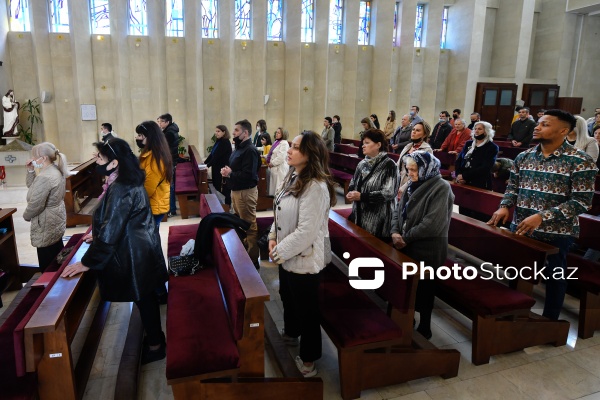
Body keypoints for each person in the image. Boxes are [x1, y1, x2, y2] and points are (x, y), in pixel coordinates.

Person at [61, 138, 169, 365]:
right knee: (146, 298)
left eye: (99, 157)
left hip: (134, 252)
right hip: (141, 246)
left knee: (144, 299)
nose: (95, 161)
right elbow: (117, 220)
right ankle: (156, 339)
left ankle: (156, 346)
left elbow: (112, 230)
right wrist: (98, 233)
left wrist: (88, 262)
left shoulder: (121, 187)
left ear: (114, 163)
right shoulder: (127, 179)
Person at [488, 109, 598, 320]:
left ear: (564, 130)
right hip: (521, 227)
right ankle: (514, 311)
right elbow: (513, 187)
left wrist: (543, 217)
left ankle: (550, 320)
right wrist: (504, 205)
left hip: (556, 232)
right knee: (518, 271)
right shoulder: (524, 156)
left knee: (555, 276)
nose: (537, 127)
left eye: (545, 124)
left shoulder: (580, 160)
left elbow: (582, 202)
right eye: (538, 123)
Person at [268, 131, 336, 377]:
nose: (289, 150)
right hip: (287, 254)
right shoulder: (291, 176)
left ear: (309, 154)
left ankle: (309, 361)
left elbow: (306, 232)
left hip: (305, 259)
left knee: (308, 311)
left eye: (296, 147)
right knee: (287, 296)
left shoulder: (316, 187)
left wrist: (278, 253)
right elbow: (278, 212)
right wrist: (272, 238)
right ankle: (290, 332)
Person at [391, 151, 454, 340]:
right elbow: (398, 209)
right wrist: (395, 232)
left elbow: (432, 224)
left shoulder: (440, 187)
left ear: (427, 168)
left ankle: (425, 327)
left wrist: (405, 238)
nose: (410, 173)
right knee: (406, 287)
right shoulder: (412, 183)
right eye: (408, 169)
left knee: (425, 290)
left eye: (413, 169)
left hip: (427, 249)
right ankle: (406, 320)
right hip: (406, 245)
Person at [221, 119, 261, 269]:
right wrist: (227, 172)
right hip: (236, 190)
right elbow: (235, 168)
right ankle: (244, 253)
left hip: (245, 192)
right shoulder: (239, 148)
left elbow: (250, 175)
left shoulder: (249, 150)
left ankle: (252, 260)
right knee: (240, 223)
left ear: (245, 133)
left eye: (236, 130)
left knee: (249, 225)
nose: (233, 133)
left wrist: (231, 173)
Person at [23, 142, 68, 272]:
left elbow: (35, 204)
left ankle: (49, 286)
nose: (32, 159)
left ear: (43, 158)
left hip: (46, 220)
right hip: (55, 216)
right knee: (56, 251)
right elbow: (33, 188)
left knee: (47, 260)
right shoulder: (55, 169)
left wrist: (26, 216)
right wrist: (31, 170)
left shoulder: (45, 177)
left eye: (34, 156)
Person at [346, 129, 399, 239]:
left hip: (378, 218)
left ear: (378, 145)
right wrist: (351, 192)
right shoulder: (362, 163)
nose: (363, 146)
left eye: (367, 143)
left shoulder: (389, 165)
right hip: (360, 214)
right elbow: (353, 181)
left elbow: (388, 193)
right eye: (363, 143)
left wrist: (361, 196)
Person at [135, 121, 173, 228]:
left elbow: (149, 188)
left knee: (150, 238)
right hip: (153, 203)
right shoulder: (153, 154)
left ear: (149, 137)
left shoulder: (155, 159)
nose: (137, 138)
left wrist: (134, 202)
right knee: (152, 236)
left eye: (140, 135)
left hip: (154, 204)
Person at [455, 121, 499, 190]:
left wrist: (464, 176)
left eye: (480, 129)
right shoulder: (468, 144)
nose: (476, 131)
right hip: (462, 180)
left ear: (486, 131)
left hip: (479, 182)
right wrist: (458, 175)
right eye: (475, 129)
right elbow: (459, 160)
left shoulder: (492, 147)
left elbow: (485, 167)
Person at [397, 121, 433, 197]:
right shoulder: (408, 146)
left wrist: (405, 187)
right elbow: (398, 164)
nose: (414, 132)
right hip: (400, 180)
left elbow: (421, 173)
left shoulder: (426, 150)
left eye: (418, 130)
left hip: (414, 185)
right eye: (413, 129)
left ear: (424, 135)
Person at [157, 113, 179, 217]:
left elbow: (162, 146)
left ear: (167, 122)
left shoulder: (169, 133)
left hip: (168, 161)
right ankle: (171, 208)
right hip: (170, 160)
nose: (159, 123)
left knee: (169, 185)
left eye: (161, 121)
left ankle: (171, 209)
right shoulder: (170, 130)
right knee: (170, 185)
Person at [205, 125, 233, 206]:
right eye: (216, 131)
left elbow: (217, 156)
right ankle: (222, 204)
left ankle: (228, 205)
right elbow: (212, 154)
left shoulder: (225, 142)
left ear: (224, 132)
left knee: (223, 187)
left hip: (222, 168)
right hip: (216, 167)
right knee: (217, 185)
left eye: (218, 131)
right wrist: (205, 163)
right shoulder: (218, 141)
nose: (216, 133)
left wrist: (208, 165)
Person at [267, 127, 290, 196]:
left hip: (280, 168)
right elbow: (272, 153)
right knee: (274, 189)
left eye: (278, 133)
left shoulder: (284, 143)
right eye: (276, 132)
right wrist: (264, 156)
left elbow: (281, 157)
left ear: (283, 134)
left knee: (278, 189)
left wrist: (272, 163)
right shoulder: (276, 142)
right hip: (274, 168)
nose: (276, 134)